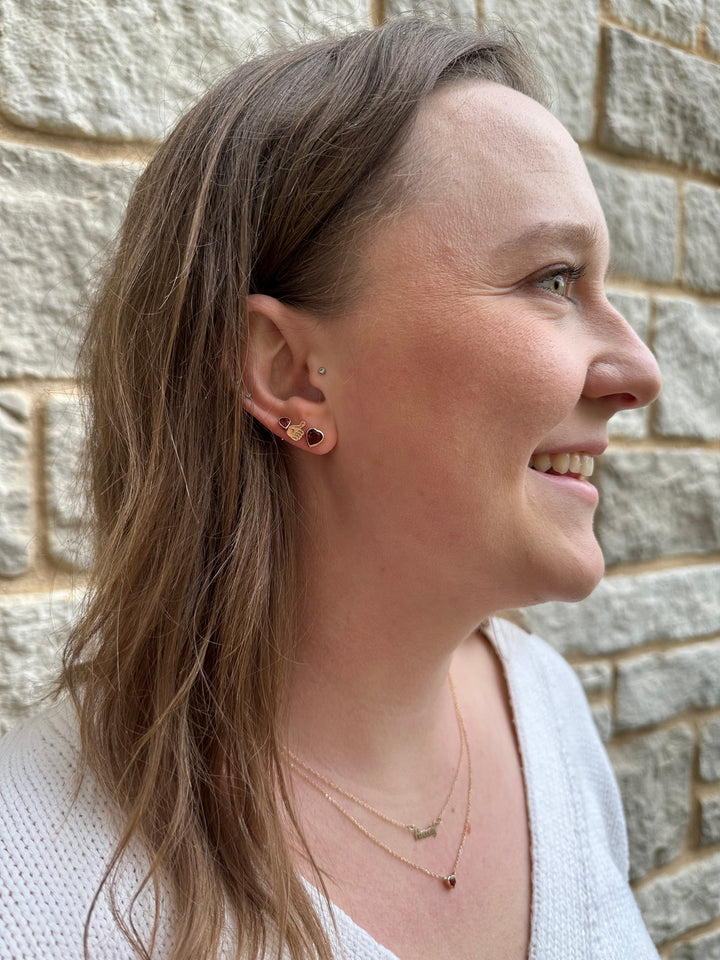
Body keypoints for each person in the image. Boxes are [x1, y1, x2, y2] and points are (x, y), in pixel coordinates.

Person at [0, 16, 663, 960]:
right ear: (291, 374)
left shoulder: (548, 712)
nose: (638, 371)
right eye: (554, 279)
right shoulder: (31, 885)